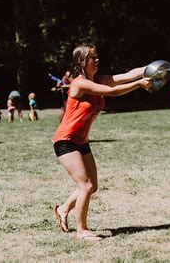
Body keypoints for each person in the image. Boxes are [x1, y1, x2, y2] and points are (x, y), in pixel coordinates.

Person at [52, 43, 152, 241]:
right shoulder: (79, 83)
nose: (97, 60)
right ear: (81, 61)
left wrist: (154, 68)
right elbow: (110, 92)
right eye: (92, 58)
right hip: (66, 142)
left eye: (97, 57)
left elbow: (127, 75)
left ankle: (63, 209)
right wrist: (139, 84)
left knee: (92, 186)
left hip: (81, 142)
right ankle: (82, 231)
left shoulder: (99, 79)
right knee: (86, 186)